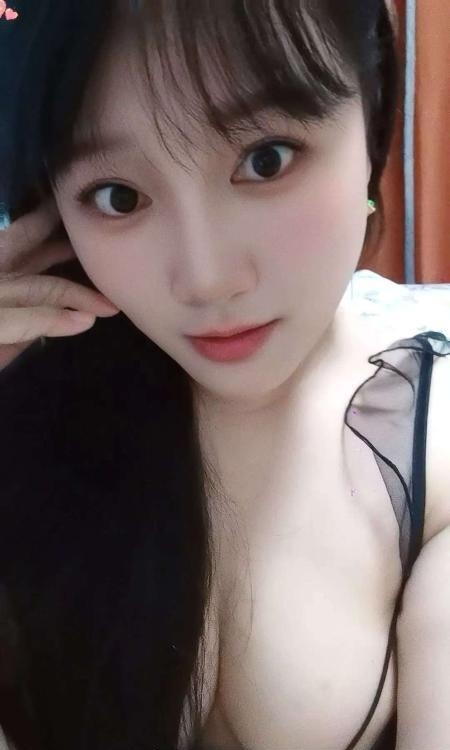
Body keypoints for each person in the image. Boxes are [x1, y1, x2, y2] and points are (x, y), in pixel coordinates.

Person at [0, 2, 449, 749]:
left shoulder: (428, 446)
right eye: (118, 197)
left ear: (371, 125)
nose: (206, 278)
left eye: (267, 159)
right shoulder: (28, 407)